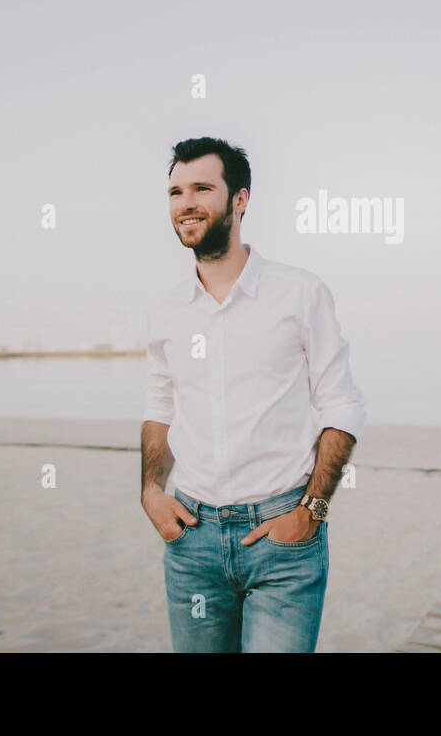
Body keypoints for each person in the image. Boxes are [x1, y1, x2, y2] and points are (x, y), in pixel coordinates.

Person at [140, 136, 365, 652]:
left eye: (202, 188)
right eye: (176, 192)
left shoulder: (300, 292)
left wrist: (313, 510)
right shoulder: (166, 311)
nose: (185, 203)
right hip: (191, 540)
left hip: (283, 543)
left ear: (240, 199)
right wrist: (152, 491)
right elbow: (160, 406)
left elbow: (342, 405)